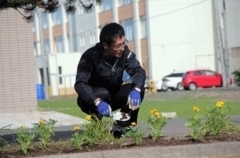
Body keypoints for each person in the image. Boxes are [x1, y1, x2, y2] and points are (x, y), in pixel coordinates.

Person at [74, 22, 146, 138]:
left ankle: (120, 127)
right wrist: (97, 101)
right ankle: (97, 126)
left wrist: (137, 89)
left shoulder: (124, 53)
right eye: (118, 46)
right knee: (103, 93)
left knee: (137, 88)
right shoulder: (90, 57)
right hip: (92, 99)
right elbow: (80, 84)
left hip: (113, 95)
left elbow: (139, 71)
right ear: (105, 45)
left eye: (123, 43)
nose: (122, 48)